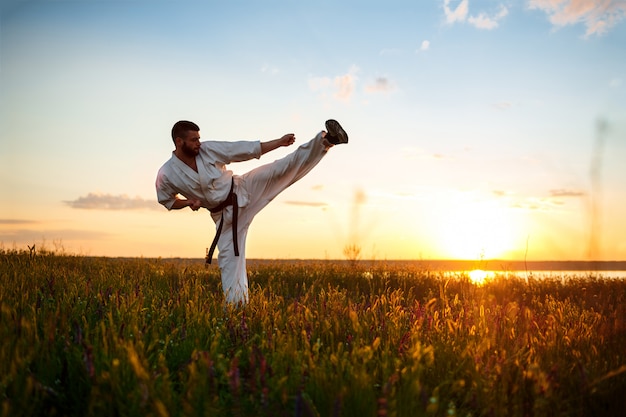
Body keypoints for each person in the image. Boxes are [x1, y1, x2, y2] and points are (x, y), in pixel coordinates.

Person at [156, 119, 348, 304]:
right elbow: (168, 201)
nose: (199, 143)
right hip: (226, 218)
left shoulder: (208, 149)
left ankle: (327, 140)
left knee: (282, 169)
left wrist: (279, 143)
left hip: (243, 188)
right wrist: (188, 202)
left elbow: (243, 150)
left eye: (199, 138)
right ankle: (237, 313)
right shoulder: (167, 174)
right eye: (194, 140)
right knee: (229, 263)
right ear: (179, 142)